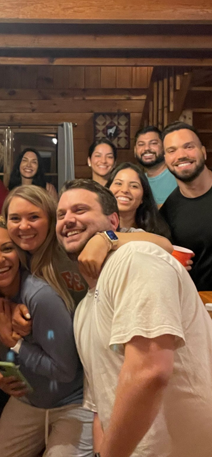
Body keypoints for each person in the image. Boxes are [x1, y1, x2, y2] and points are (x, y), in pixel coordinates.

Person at [56, 178, 212, 457]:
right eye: (61, 214)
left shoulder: (137, 257)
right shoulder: (84, 310)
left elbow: (150, 371)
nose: (68, 219)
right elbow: (100, 405)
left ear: (113, 221)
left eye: (80, 210)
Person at [0, 216, 93, 457]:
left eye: (7, 248)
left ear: (21, 253)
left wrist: (16, 343)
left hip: (73, 403)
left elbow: (65, 371)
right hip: (29, 401)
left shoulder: (40, 296)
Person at [161, 121, 212, 290]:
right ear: (166, 160)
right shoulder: (168, 213)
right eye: (172, 150)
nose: (181, 155)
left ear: (203, 152)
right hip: (202, 305)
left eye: (188, 146)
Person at [106, 162, 171, 236]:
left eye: (134, 186)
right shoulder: (96, 228)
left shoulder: (157, 234)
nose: (124, 190)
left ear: (143, 197)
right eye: (118, 183)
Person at [134, 125, 177, 205]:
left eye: (153, 143)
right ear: (135, 150)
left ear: (164, 147)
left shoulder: (177, 175)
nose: (146, 148)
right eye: (141, 144)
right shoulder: (138, 181)